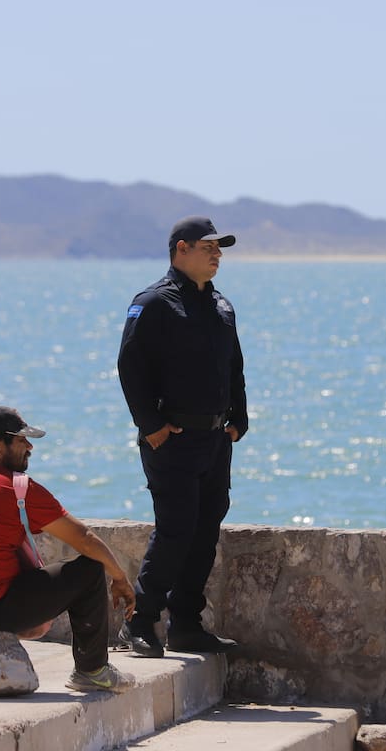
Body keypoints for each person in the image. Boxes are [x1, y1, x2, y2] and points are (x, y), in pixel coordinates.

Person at [0, 405, 137, 693]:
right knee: (91, 568)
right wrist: (119, 577)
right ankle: (92, 671)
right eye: (21, 440)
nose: (30, 446)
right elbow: (85, 538)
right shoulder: (15, 487)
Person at [116, 216, 248, 656]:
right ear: (181, 249)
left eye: (220, 248)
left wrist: (238, 419)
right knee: (175, 529)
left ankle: (187, 624)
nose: (217, 254)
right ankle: (139, 620)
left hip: (214, 440)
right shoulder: (153, 303)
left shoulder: (221, 306)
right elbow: (130, 367)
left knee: (205, 529)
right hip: (170, 439)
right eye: (208, 246)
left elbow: (234, 366)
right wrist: (150, 426)